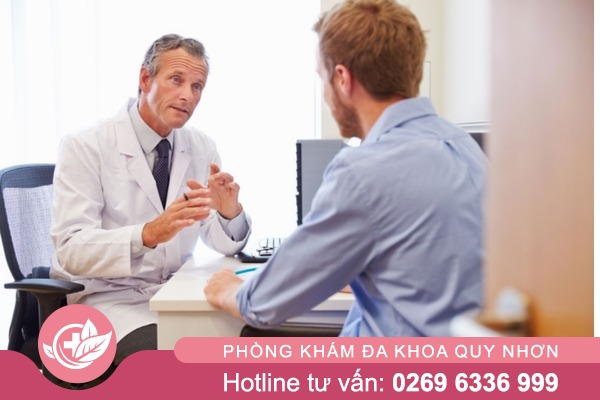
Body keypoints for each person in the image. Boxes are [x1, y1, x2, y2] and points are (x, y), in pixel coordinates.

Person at [204, 0, 486, 337]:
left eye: (321, 78)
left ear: (342, 79)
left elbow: (264, 303)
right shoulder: (467, 148)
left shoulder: (363, 171)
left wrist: (228, 289)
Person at [51, 34, 252, 366]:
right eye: (177, 80)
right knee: (177, 364)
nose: (188, 95)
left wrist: (229, 212)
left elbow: (220, 242)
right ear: (145, 79)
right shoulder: (85, 145)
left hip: (177, 296)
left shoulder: (201, 146)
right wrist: (147, 234)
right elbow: (70, 250)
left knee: (250, 348)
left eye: (197, 86)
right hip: (110, 302)